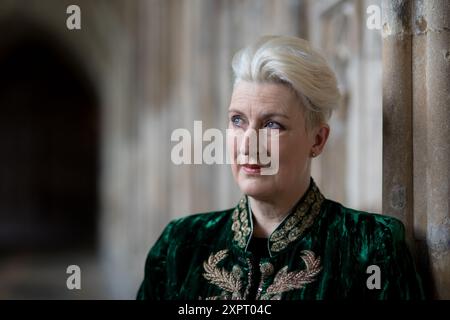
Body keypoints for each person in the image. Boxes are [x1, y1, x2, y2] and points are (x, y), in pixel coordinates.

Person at [137, 35, 424, 300]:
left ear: (318, 139)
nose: (248, 144)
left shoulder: (372, 246)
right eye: (237, 120)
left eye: (272, 124)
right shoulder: (180, 245)